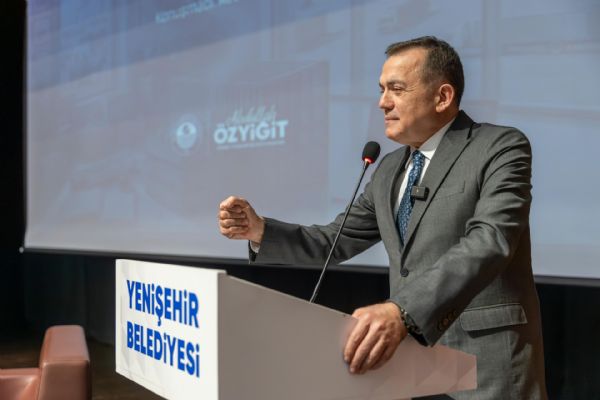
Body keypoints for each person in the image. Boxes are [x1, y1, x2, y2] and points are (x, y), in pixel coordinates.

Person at [218, 36, 547, 399]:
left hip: (485, 362)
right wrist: (260, 231)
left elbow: (491, 240)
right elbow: (334, 241)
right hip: (410, 366)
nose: (382, 102)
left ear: (442, 96)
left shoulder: (499, 147)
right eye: (381, 89)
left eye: (396, 89)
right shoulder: (389, 168)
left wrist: (402, 311)